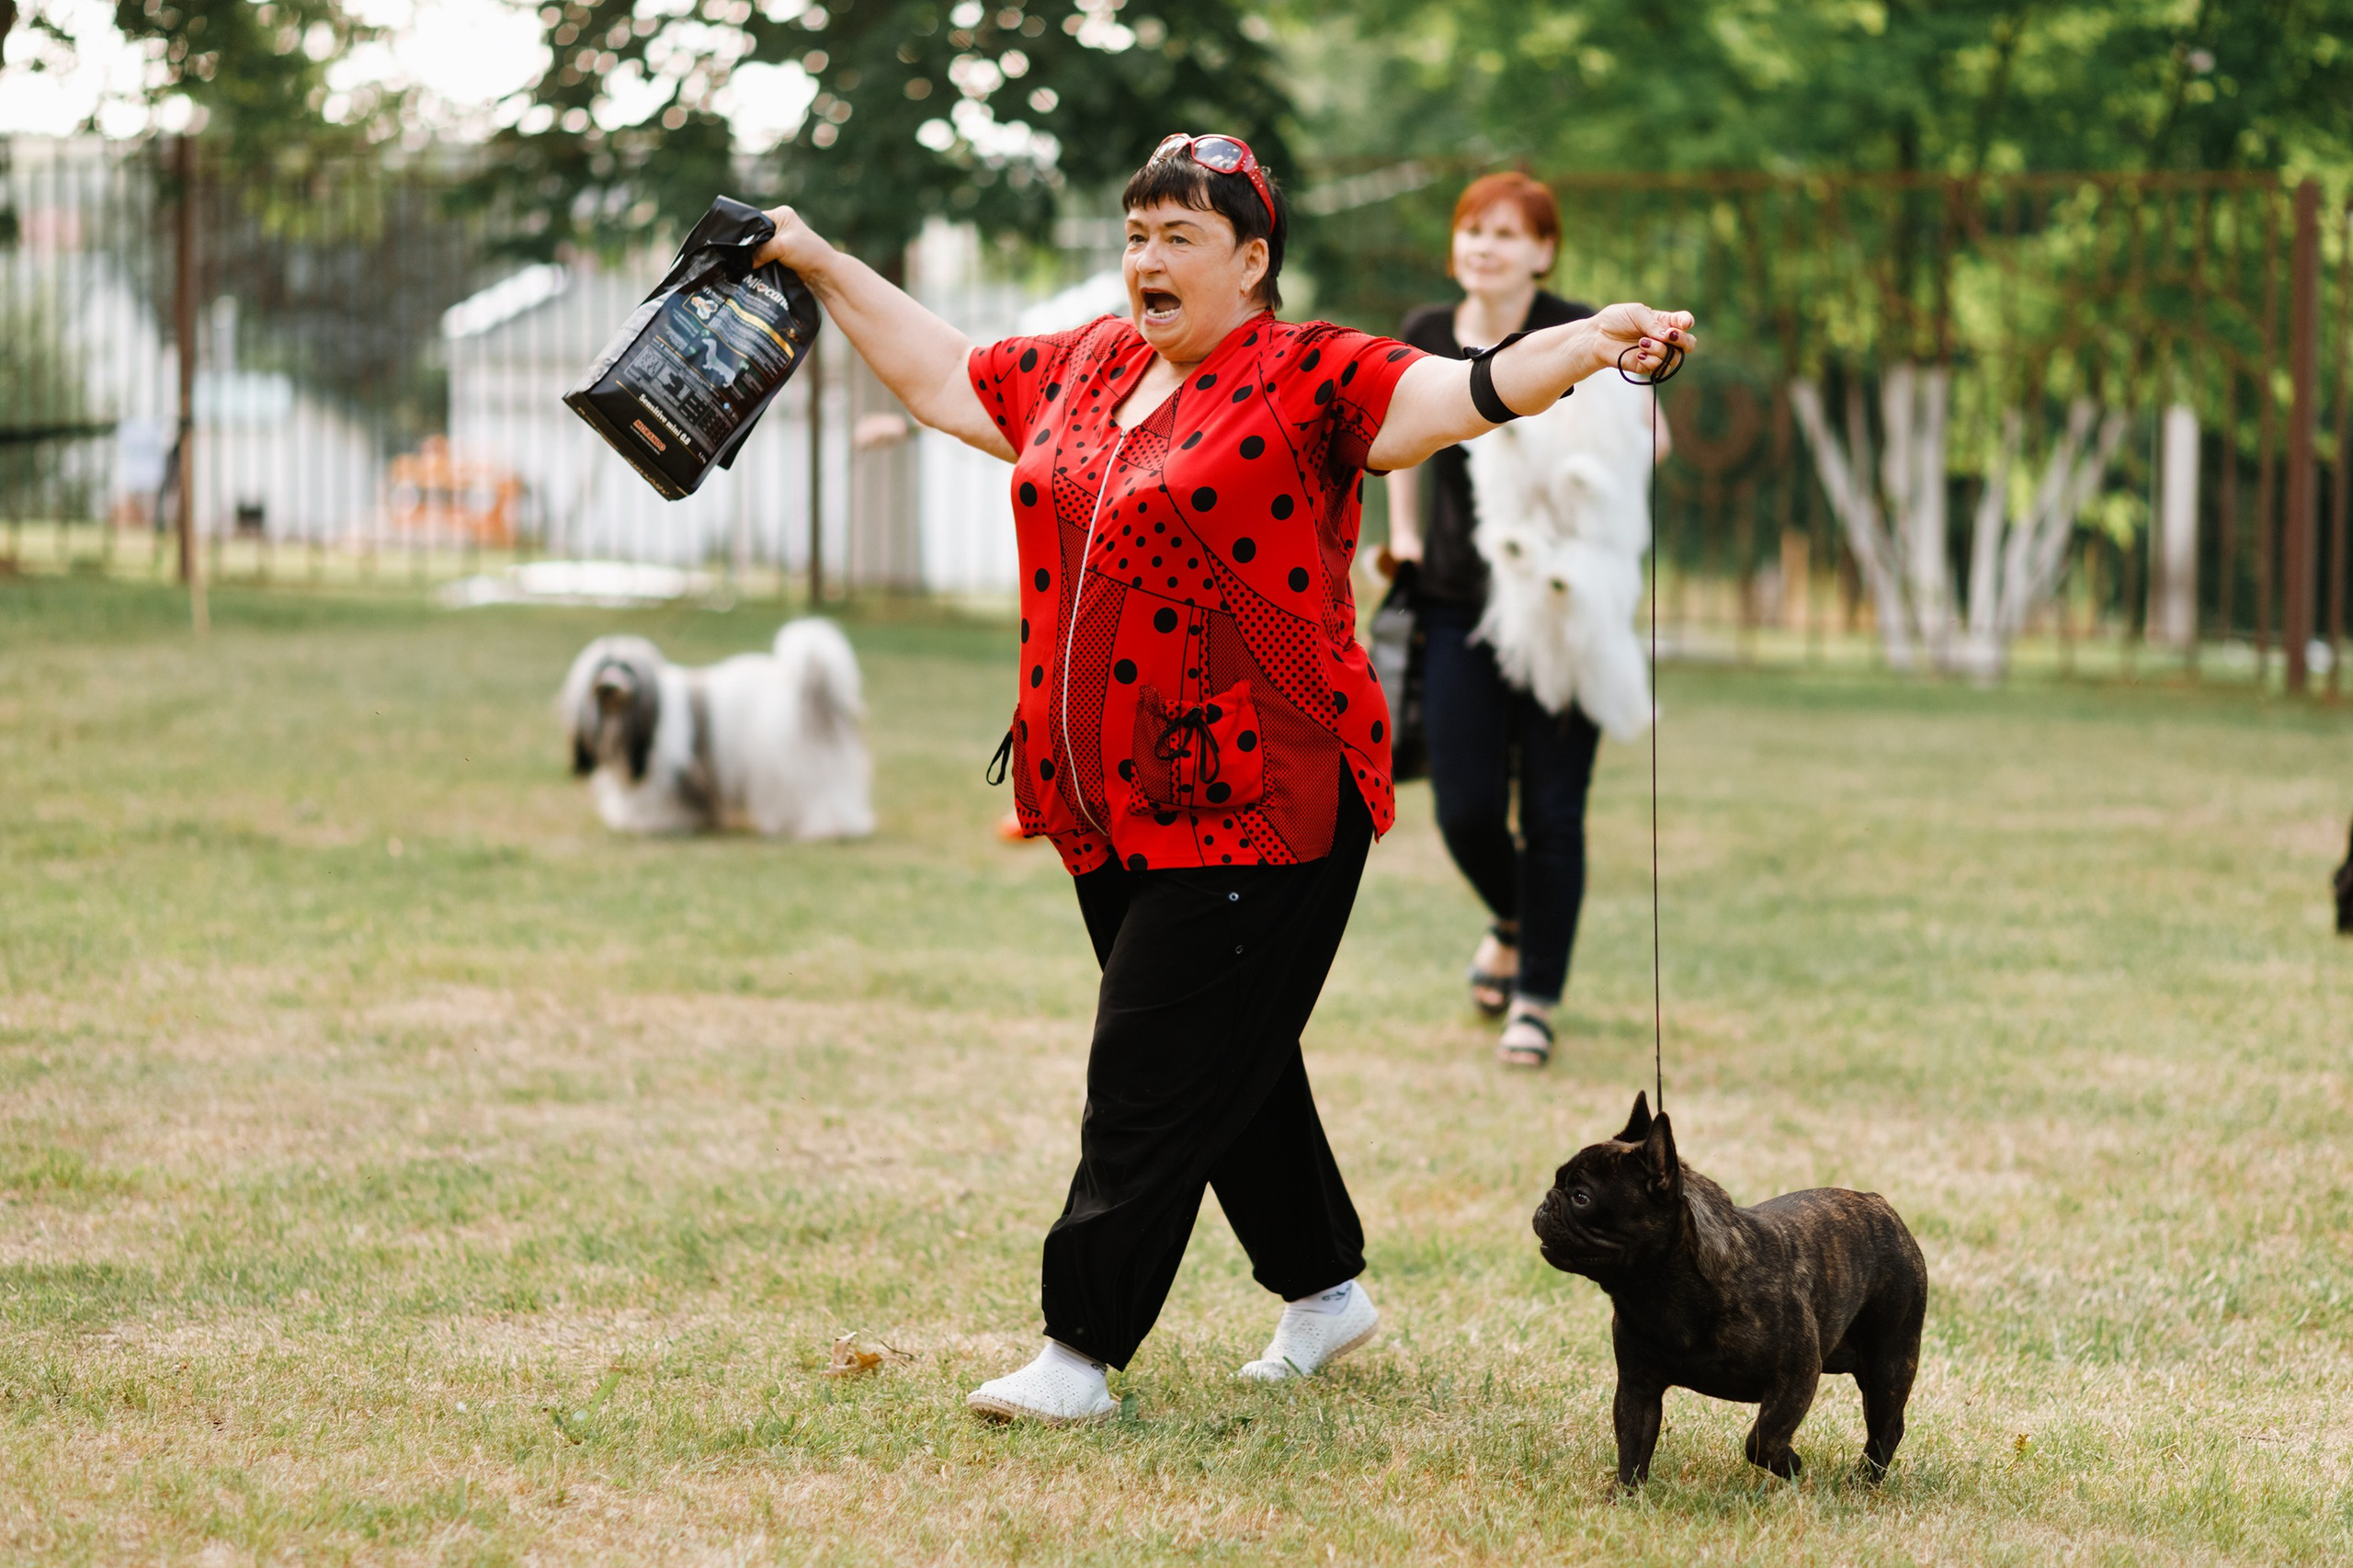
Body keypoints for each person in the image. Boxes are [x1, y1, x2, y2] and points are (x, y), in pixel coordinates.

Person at [754, 138, 1694, 1425]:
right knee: (1224, 1054)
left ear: (1252, 263)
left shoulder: (1315, 378)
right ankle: (1325, 1291)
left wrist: (1590, 343)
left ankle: (1079, 1350)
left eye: (1179, 237)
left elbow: (1468, 385)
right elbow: (940, 376)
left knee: (1148, 1064)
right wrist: (810, 257)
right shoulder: (1085, 367)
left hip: (1270, 801)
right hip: (1103, 802)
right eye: (1138, 232)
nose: (1146, 258)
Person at [1384, 173, 1671, 1070]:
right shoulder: (1426, 333)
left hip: (1558, 604)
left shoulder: (1580, 327)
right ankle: (1512, 918)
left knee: (1552, 809)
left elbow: (1645, 432)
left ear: (1542, 250)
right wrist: (1398, 538)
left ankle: (1535, 998)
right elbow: (1400, 434)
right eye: (1472, 228)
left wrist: (1638, 371)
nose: (1485, 245)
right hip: (1456, 603)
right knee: (1465, 806)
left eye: (1507, 232)